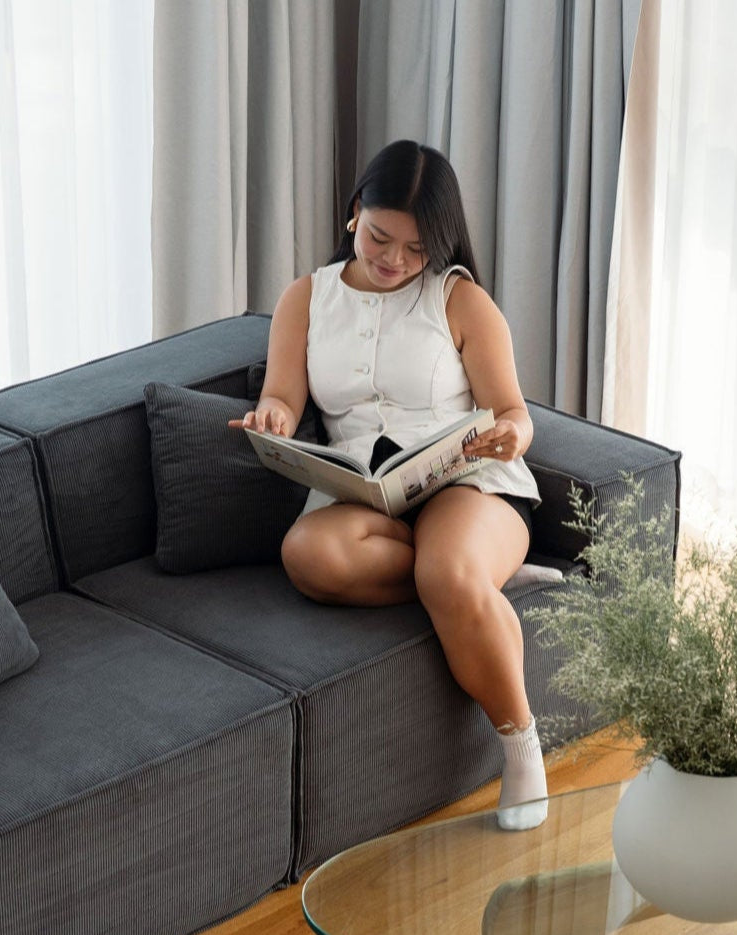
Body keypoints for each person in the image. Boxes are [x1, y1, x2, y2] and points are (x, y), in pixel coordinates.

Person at [227, 140, 549, 832]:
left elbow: (514, 412)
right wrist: (271, 417)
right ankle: (468, 584)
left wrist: (510, 436)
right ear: (353, 214)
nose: (394, 260)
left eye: (414, 247)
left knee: (445, 565)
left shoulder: (459, 298)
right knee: (308, 555)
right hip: (368, 492)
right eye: (379, 237)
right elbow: (284, 396)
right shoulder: (306, 297)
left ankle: (521, 745)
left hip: (468, 480)